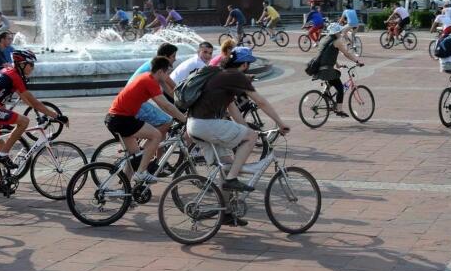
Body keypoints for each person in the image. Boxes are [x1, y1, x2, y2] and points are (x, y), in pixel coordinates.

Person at [187, 47, 291, 212]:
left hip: (194, 124)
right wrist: (279, 123)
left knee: (227, 165)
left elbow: (231, 107)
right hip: (206, 124)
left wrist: (244, 128)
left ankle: (227, 211)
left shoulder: (221, 74)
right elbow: (260, 101)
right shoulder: (236, 76)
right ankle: (232, 179)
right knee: (251, 137)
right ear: (244, 64)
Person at [0, 50, 61, 169]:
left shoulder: (10, 73)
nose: (33, 68)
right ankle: (3, 155)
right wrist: (57, 116)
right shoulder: (14, 76)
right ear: (22, 64)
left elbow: (28, 100)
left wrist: (41, 113)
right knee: (24, 121)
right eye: (31, 64)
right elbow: (35, 103)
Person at [105, 56, 187, 184]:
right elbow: (165, 105)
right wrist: (184, 119)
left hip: (115, 118)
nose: (168, 76)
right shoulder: (149, 81)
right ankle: (142, 173)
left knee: (135, 158)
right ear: (160, 72)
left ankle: (125, 191)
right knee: (156, 135)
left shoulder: (146, 77)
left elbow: (167, 100)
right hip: (122, 119)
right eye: (168, 73)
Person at [311, 24, 364, 117]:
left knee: (333, 80)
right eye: (339, 31)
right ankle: (339, 110)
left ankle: (326, 96)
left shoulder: (325, 39)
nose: (340, 33)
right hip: (326, 70)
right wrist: (357, 61)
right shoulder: (337, 41)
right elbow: (346, 53)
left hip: (319, 68)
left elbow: (328, 54)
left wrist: (338, 65)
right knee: (340, 87)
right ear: (336, 33)